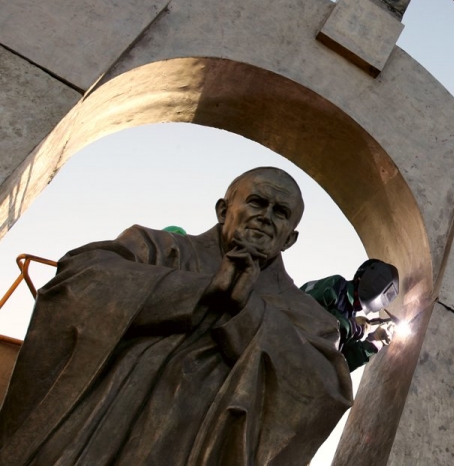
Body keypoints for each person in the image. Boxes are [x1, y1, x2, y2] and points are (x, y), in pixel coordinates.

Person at [0, 167, 353, 465]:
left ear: (290, 239)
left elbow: (322, 390)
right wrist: (200, 290)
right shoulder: (156, 248)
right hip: (97, 433)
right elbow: (80, 278)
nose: (266, 216)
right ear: (222, 209)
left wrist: (248, 312)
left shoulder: (310, 316)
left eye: (280, 212)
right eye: (257, 202)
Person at [301, 259, 399, 372]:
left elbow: (341, 364)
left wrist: (376, 339)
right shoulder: (337, 286)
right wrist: (348, 326)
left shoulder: (351, 315)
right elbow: (303, 311)